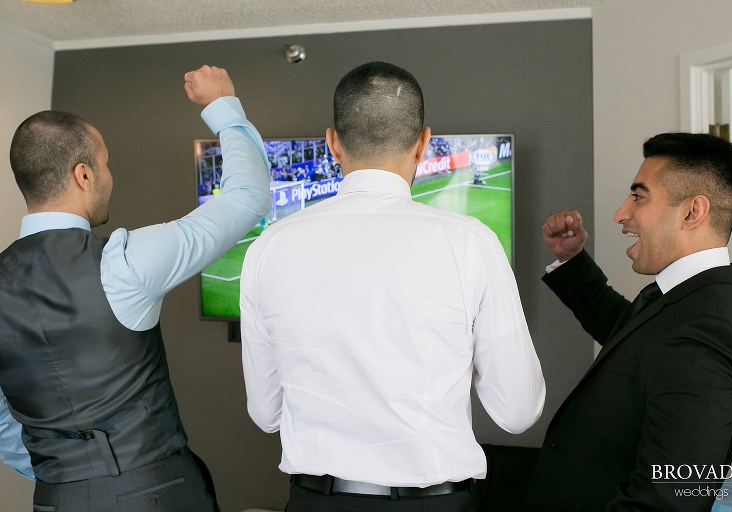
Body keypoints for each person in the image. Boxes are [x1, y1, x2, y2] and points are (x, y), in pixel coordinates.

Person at [239, 61, 545, 512]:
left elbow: (266, 415)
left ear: (332, 144)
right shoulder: (469, 242)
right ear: (423, 143)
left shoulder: (269, 247)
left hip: (317, 502)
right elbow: (517, 413)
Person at [0, 65, 271, 511]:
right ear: (83, 175)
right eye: (106, 165)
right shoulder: (123, 261)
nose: (109, 177)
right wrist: (222, 104)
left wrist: (65, 476)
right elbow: (247, 198)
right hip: (155, 494)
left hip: (55, 498)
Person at [525, 132, 732, 511]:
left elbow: (666, 501)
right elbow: (629, 337)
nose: (621, 213)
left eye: (638, 196)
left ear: (692, 212)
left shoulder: (711, 328)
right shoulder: (687, 301)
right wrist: (572, 262)